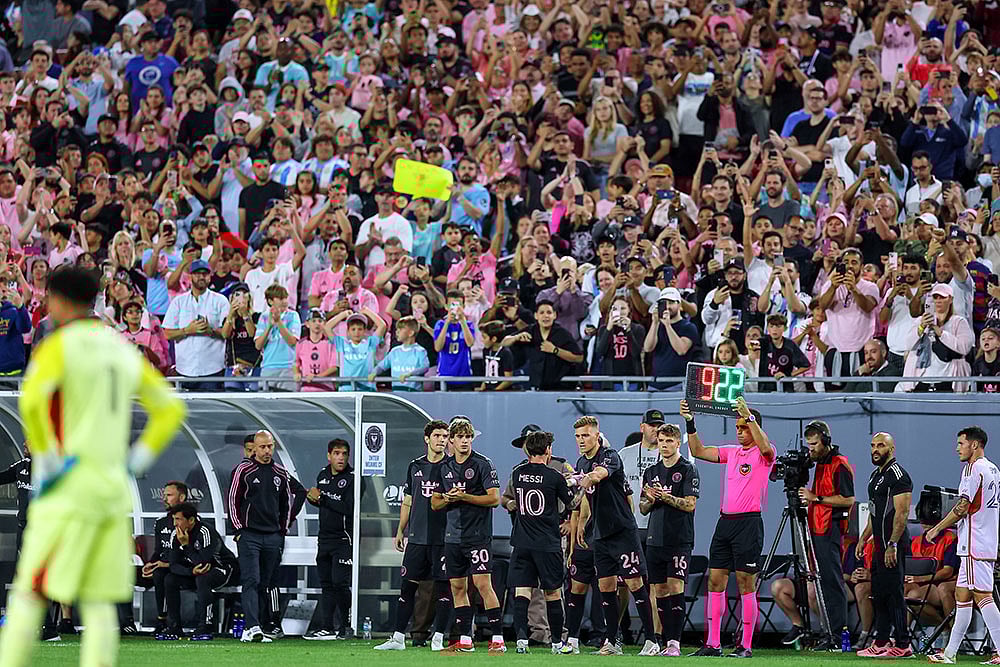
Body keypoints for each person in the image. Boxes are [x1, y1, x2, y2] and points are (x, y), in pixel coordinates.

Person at [0, 265, 185, 667]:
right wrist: (134, 461)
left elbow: (31, 404)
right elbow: (170, 408)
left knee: (31, 588)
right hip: (109, 487)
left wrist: (48, 460)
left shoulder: (58, 348)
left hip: (66, 485)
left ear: (60, 301)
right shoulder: (119, 348)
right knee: (99, 602)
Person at [682, 396, 774, 658]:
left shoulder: (764, 453)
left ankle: (745, 646)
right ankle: (712, 643)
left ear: (754, 426)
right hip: (725, 523)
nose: (740, 431)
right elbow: (699, 451)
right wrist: (690, 422)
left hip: (749, 523)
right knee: (715, 580)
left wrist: (751, 417)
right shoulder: (732, 452)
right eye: (738, 427)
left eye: (744, 427)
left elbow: (766, 447)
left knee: (746, 583)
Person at [574, 414, 660, 656]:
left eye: (586, 435)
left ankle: (652, 641)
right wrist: (581, 521)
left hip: (622, 531)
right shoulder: (581, 462)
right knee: (606, 586)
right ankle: (611, 642)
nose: (581, 440)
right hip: (600, 534)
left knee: (635, 583)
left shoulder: (610, 455)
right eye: (578, 436)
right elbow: (585, 497)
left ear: (597, 435)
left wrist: (588, 477)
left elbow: (599, 474)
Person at [372, 421, 453, 651]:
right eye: (437, 435)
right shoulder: (415, 466)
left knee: (443, 588)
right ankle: (398, 637)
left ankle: (438, 637)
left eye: (445, 436)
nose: (442, 440)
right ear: (426, 438)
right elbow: (407, 500)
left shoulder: (451, 467)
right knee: (407, 587)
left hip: (443, 538)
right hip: (417, 538)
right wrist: (400, 530)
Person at [430, 417, 505, 654]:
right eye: (460, 437)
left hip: (478, 536)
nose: (465, 441)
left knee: (483, 585)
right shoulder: (444, 467)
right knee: (457, 588)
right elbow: (434, 503)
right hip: (452, 537)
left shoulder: (483, 464)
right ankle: (464, 641)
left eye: (468, 437)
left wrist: (465, 497)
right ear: (451, 440)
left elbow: (494, 499)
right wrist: (448, 498)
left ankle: (498, 640)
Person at [926, 427, 1000, 664]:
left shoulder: (973, 468)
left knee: (983, 597)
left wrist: (937, 528)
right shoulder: (993, 469)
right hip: (985, 540)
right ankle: (950, 653)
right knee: (962, 596)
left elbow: (963, 507)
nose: (957, 448)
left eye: (961, 443)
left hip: (973, 543)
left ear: (974, 445)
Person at [227, 429, 306, 643]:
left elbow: (287, 503)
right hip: (249, 535)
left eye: (270, 446)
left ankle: (261, 625)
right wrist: (238, 530)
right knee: (251, 580)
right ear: (254, 448)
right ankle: (251, 627)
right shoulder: (243, 470)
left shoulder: (280, 473)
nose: (267, 450)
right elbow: (232, 499)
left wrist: (283, 529)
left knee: (266, 582)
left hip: (272, 536)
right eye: (262, 447)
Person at [782, 421, 855, 650]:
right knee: (824, 582)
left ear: (825, 441)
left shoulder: (839, 464)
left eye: (814, 444)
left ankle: (837, 636)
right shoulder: (821, 463)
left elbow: (848, 499)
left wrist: (816, 499)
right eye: (809, 444)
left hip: (830, 529)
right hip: (817, 526)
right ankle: (829, 633)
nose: (810, 449)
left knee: (832, 582)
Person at [506, 430, 578, 655]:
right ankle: (557, 643)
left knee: (522, 592)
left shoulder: (517, 473)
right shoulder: (553, 476)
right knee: (553, 593)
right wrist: (583, 487)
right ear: (548, 450)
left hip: (522, 543)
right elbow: (572, 504)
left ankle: (520, 641)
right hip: (547, 543)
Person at [640, 423, 700, 657]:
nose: (664, 445)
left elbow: (690, 504)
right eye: (661, 441)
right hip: (655, 538)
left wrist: (666, 497)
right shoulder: (652, 472)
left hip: (679, 538)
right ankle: (662, 641)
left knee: (675, 587)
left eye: (669, 441)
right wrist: (650, 499)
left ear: (678, 443)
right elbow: (643, 509)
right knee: (659, 590)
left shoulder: (687, 469)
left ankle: (675, 642)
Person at [855, 432, 913, 658]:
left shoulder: (899, 476)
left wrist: (892, 544)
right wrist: (863, 538)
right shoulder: (874, 475)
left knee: (893, 593)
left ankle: (902, 644)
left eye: (881, 445)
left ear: (891, 448)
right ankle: (880, 642)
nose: (875, 449)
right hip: (879, 544)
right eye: (872, 445)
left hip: (893, 544)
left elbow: (902, 513)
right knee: (878, 593)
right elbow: (874, 513)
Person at [161, 502, 239, 641]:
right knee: (170, 579)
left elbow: (204, 563)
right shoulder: (176, 535)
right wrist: (191, 571)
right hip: (197, 571)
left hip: (223, 569)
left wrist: (186, 545)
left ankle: (205, 626)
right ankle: (174, 626)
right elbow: (173, 565)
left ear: (191, 520)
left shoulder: (205, 531)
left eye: (178, 519)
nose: (174, 524)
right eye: (174, 519)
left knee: (203, 578)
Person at [306, 439, 359, 642]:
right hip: (324, 538)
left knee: (340, 583)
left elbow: (349, 509)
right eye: (337, 453)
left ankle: (346, 625)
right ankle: (327, 627)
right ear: (329, 455)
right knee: (326, 584)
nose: (341, 457)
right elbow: (323, 504)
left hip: (343, 538)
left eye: (344, 454)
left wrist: (322, 500)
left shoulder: (353, 478)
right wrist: (314, 500)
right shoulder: (323, 475)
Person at [162, 258, 230, 390]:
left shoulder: (220, 300)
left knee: (210, 408)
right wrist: (188, 330)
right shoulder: (178, 301)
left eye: (205, 274)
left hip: (213, 369)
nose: (201, 277)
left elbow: (227, 333)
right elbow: (167, 333)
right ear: (190, 276)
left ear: (210, 276)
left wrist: (209, 330)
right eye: (197, 274)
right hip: (185, 369)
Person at [145, 481, 188, 637]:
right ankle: (126, 623)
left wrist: (167, 564)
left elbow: (189, 553)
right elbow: (158, 551)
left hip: (182, 567)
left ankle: (168, 621)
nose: (164, 499)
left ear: (181, 497)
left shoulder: (190, 521)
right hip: (162, 566)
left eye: (169, 495)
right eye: (164, 495)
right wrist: (149, 564)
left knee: (165, 576)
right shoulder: (161, 522)